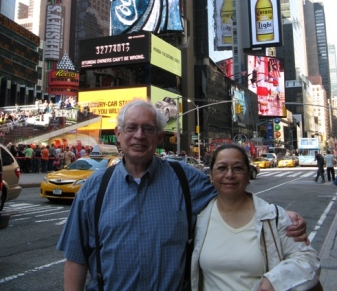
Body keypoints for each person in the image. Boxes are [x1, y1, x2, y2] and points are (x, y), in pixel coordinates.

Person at [57, 99, 308, 291]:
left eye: (148, 129)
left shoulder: (185, 179)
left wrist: (280, 216)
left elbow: (231, 194)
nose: (139, 135)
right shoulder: (94, 188)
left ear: (159, 136)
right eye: (131, 128)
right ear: (119, 134)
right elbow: (76, 258)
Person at [191, 144, 320, 291]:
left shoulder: (274, 218)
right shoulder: (199, 219)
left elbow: (308, 259)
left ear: (248, 175)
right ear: (211, 176)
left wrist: (275, 280)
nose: (229, 175)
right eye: (221, 168)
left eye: (238, 168)